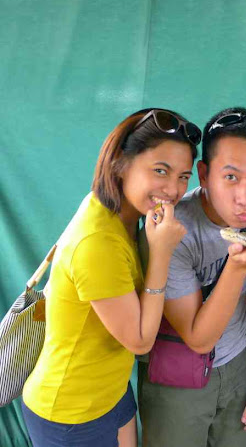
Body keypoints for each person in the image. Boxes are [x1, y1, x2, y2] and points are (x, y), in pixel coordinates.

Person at [21, 108, 200, 447]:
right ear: (120, 163)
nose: (174, 189)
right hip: (70, 412)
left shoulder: (121, 212)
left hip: (112, 390)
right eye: (160, 171)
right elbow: (139, 340)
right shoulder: (97, 241)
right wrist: (161, 252)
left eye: (183, 176)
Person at [137, 108, 246, 447]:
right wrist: (236, 267)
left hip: (238, 367)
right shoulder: (172, 230)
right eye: (231, 177)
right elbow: (198, 338)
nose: (245, 197)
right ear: (204, 174)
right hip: (174, 379)